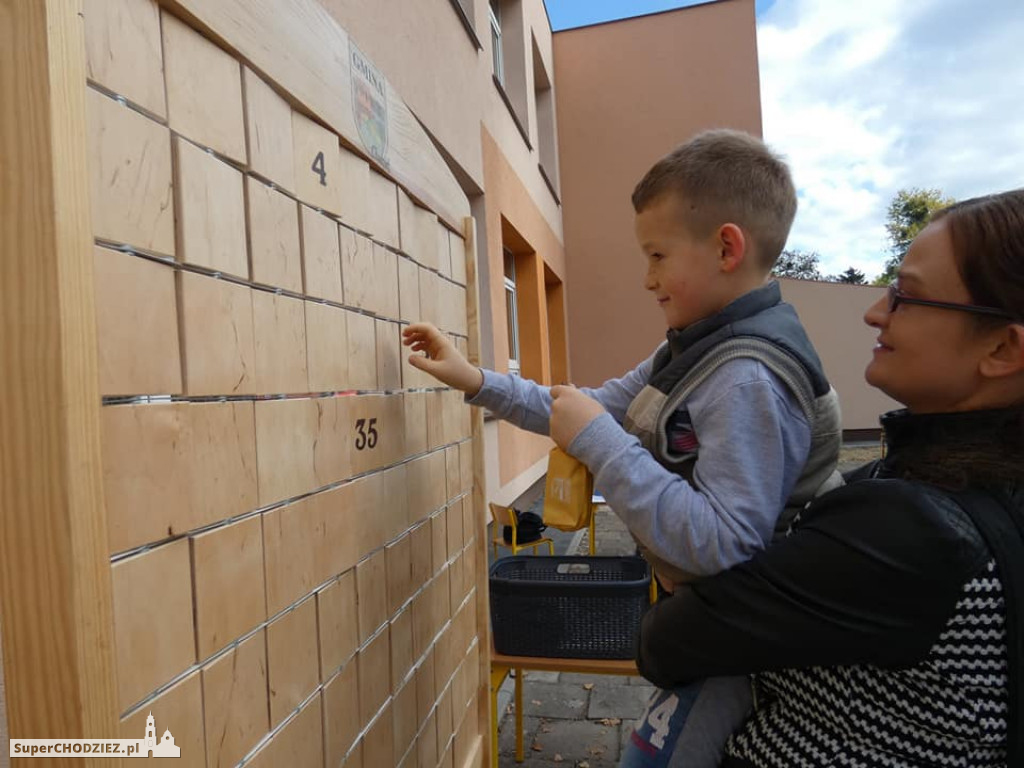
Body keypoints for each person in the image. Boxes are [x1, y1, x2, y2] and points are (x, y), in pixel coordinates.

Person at [403, 129, 842, 767]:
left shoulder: (747, 376)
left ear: (726, 247)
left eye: (658, 255)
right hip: (713, 628)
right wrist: (473, 378)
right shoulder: (694, 349)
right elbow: (579, 407)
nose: (647, 279)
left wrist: (600, 443)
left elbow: (723, 545)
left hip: (746, 650)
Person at [636, 187, 1024, 767]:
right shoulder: (944, 489)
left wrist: (603, 446)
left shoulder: (913, 531)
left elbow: (665, 644)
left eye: (906, 298)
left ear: (1002, 347)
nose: (875, 311)